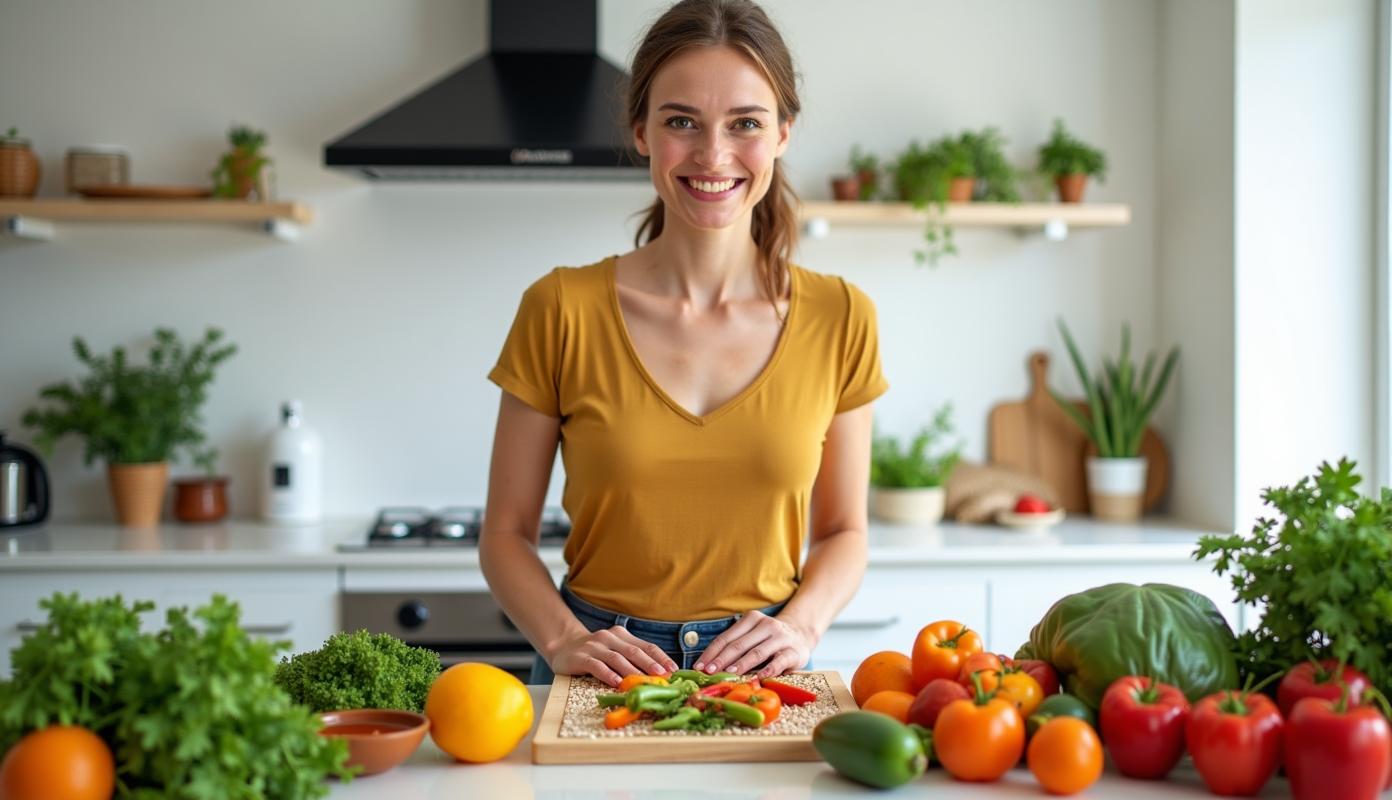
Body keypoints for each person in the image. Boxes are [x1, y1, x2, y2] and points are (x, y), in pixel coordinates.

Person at [479, 0, 887, 688]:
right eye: (681, 122)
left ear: (784, 132)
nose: (713, 155)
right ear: (641, 131)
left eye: (745, 124)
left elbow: (845, 530)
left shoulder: (841, 316)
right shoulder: (560, 308)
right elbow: (505, 535)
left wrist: (802, 625)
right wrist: (562, 641)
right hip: (599, 669)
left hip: (765, 674)